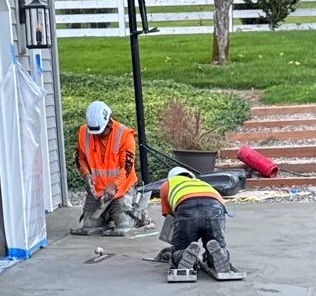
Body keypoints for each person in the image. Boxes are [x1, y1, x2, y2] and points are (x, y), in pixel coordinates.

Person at [158, 166, 243, 283]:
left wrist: (177, 242)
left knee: (182, 246)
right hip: (214, 207)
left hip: (186, 207)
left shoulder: (167, 184)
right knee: (216, 243)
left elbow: (169, 216)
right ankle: (219, 254)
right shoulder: (200, 182)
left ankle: (183, 254)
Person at [70, 100, 143, 235]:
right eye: (94, 133)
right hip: (97, 189)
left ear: (109, 122)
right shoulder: (83, 133)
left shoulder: (124, 135)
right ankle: (108, 215)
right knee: (89, 225)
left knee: (123, 224)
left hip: (121, 188)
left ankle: (133, 212)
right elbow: (80, 159)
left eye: (100, 132)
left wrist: (114, 185)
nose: (96, 136)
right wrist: (86, 174)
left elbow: (127, 167)